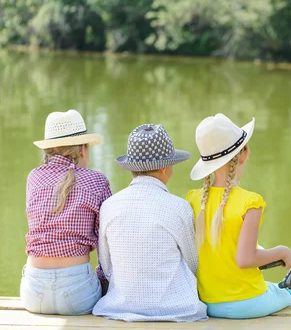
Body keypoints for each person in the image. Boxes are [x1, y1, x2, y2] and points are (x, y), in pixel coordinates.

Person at [186, 113, 291, 319]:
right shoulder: (250, 202)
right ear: (244, 154)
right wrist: (282, 252)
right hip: (247, 303)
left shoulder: (194, 200)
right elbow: (245, 259)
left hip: (207, 303)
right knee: (288, 293)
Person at [92, 124, 207, 322]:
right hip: (176, 310)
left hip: (119, 308)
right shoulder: (179, 207)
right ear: (164, 167)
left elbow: (107, 266)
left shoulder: (109, 206)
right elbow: (192, 264)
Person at [21, 109, 112, 315]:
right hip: (78, 293)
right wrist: (103, 279)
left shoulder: (33, 178)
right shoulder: (97, 181)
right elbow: (106, 241)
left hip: (33, 293)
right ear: (82, 149)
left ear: (48, 150)